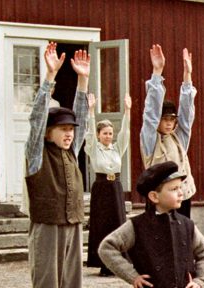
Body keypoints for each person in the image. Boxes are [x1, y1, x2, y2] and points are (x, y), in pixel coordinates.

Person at [24, 43, 90, 288]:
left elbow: (81, 120)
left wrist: (82, 81)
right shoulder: (36, 153)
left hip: (72, 223)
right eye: (63, 129)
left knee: (72, 282)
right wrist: (50, 77)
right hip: (47, 226)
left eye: (70, 130)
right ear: (48, 132)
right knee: (47, 282)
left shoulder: (71, 151)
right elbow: (37, 119)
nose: (69, 134)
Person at [99, 162, 204, 288]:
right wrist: (132, 276)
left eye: (180, 187)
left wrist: (200, 281)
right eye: (174, 189)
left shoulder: (187, 225)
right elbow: (106, 248)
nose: (181, 193)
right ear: (154, 196)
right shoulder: (137, 225)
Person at [141, 44, 197, 217]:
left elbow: (187, 116)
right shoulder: (150, 139)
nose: (168, 123)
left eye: (172, 120)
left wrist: (187, 77)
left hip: (182, 196)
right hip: (160, 200)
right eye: (164, 119)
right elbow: (150, 114)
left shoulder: (178, 137)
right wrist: (157, 73)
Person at [83, 92, 132, 276]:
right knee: (102, 225)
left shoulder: (117, 148)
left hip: (115, 188)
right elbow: (89, 135)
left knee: (118, 224)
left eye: (110, 133)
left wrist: (127, 111)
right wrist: (91, 111)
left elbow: (125, 134)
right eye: (105, 133)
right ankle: (103, 264)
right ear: (99, 135)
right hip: (102, 189)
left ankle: (118, 263)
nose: (108, 136)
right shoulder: (94, 149)